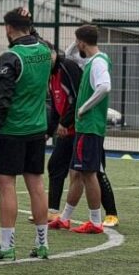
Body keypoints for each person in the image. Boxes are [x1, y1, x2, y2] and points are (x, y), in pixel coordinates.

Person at [0, 8, 54, 261]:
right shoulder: (45, 51)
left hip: (11, 130)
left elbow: (1, 98)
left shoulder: (11, 57)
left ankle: (6, 245)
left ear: (8, 28)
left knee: (6, 186)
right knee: (37, 185)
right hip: (37, 129)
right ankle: (42, 244)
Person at [47, 25, 111, 234]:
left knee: (88, 174)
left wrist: (83, 107)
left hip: (90, 125)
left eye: (78, 42)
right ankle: (65, 218)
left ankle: (95, 221)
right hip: (84, 126)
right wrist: (77, 42)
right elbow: (69, 54)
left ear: (82, 43)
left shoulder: (98, 62)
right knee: (76, 173)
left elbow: (105, 86)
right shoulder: (91, 60)